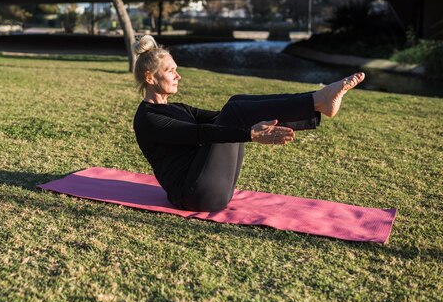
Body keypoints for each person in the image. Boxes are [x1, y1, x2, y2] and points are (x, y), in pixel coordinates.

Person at [132, 35, 365, 212]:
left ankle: (317, 101)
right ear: (150, 78)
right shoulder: (148, 119)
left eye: (176, 69)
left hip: (213, 187)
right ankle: (317, 100)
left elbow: (219, 118)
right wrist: (249, 134)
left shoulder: (176, 107)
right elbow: (200, 133)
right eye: (170, 71)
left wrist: (251, 124)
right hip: (194, 195)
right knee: (235, 111)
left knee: (235, 104)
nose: (178, 76)